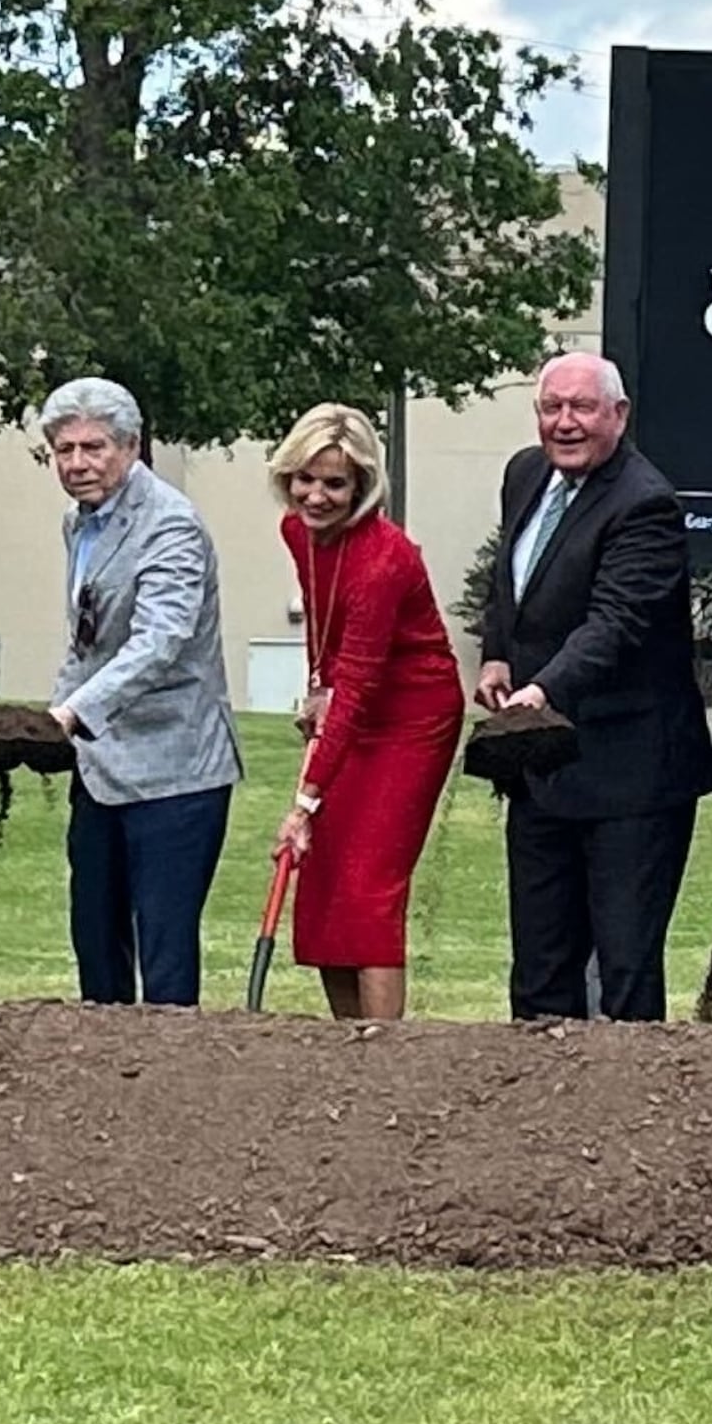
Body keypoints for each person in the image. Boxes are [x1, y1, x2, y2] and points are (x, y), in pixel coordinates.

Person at [474, 352, 712, 1021]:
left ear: (619, 416)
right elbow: (511, 582)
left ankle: (626, 1115)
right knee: (540, 966)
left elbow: (616, 624)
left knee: (625, 968)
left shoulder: (647, 504)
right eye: (553, 408)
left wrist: (542, 689)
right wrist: (497, 656)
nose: (566, 423)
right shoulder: (526, 474)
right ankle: (538, 1108)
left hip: (632, 776)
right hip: (544, 769)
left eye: (583, 408)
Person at [42, 377, 239, 1006]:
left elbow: (159, 643)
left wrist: (73, 714)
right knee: (95, 938)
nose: (78, 464)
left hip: (175, 772)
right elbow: (88, 640)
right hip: (100, 768)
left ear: (131, 447)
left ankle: (171, 1087)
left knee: (164, 947)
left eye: (93, 447)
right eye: (64, 450)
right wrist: (51, 719)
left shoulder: (171, 526)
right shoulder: (81, 522)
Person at [273, 403, 464, 1021]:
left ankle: (384, 1056)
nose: (317, 496)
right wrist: (316, 685)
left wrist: (304, 803)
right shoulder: (296, 532)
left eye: (335, 484)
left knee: (368, 887)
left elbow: (358, 690)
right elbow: (323, 619)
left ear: (361, 487)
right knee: (324, 883)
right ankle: (347, 1045)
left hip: (412, 716)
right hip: (355, 701)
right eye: (307, 478)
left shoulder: (384, 559)